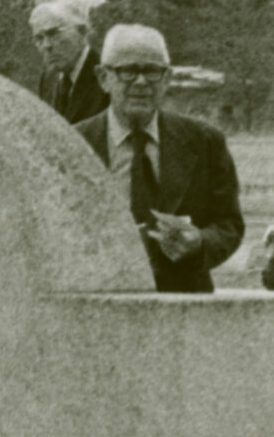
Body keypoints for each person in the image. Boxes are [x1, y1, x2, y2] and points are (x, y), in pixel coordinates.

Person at [76, 23, 245, 293]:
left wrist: (200, 241)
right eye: (128, 71)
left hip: (184, 307)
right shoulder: (74, 144)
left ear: (167, 79)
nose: (141, 82)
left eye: (152, 71)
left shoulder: (205, 142)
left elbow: (229, 225)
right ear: (103, 78)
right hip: (98, 302)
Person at [29, 2, 108, 126]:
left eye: (54, 33)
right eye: (39, 38)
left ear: (82, 31)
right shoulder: (48, 79)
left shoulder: (106, 76)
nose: (46, 45)